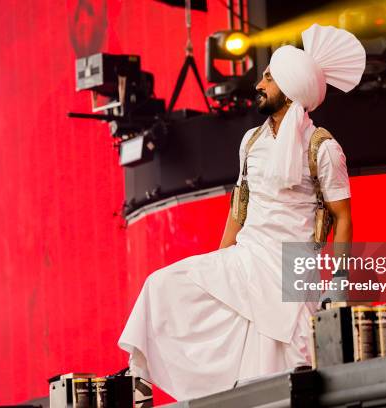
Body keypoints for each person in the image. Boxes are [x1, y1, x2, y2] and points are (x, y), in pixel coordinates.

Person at [118, 23, 365, 405]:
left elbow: (343, 217)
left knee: (275, 373)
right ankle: (141, 378)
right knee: (162, 285)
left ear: (290, 88)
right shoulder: (250, 141)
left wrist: (341, 282)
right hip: (247, 256)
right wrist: (220, 262)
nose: (259, 83)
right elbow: (240, 206)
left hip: (291, 270)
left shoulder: (323, 147)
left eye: (269, 77)